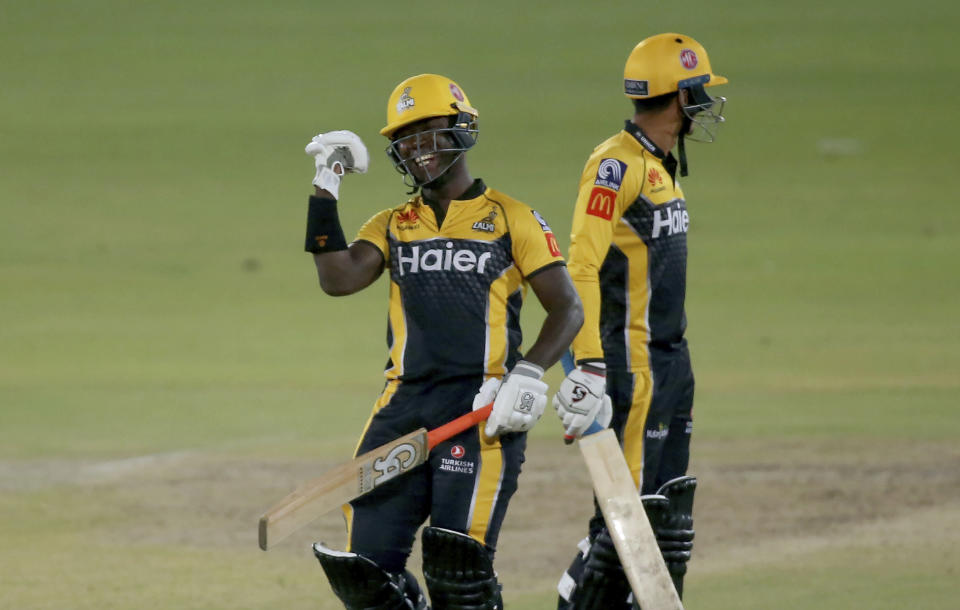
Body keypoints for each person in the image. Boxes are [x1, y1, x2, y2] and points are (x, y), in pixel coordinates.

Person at [301, 73, 584, 609]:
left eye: (428, 132)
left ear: (462, 130)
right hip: (402, 410)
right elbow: (337, 279)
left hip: (482, 413)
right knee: (364, 577)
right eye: (406, 140)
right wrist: (327, 182)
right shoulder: (391, 224)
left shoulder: (511, 218)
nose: (417, 149)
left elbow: (567, 307)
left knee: (459, 578)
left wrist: (526, 375)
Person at [552, 33, 729, 608]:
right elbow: (579, 265)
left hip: (672, 361)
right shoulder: (614, 166)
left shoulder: (658, 165)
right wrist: (590, 364)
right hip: (630, 364)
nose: (706, 101)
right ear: (678, 97)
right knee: (626, 523)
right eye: (699, 89)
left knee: (667, 519)